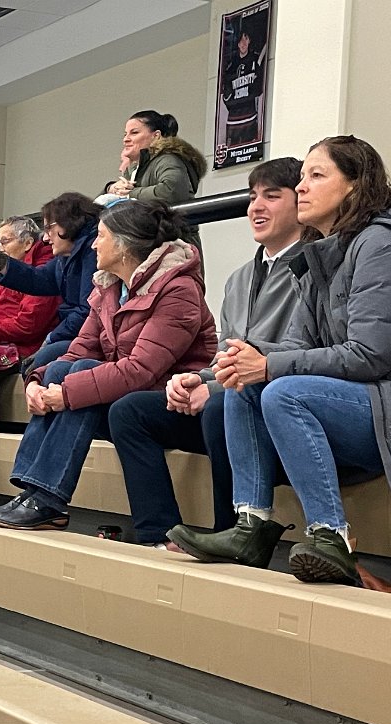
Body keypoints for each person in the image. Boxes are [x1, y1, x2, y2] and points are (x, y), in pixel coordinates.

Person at [171, 136, 391, 583]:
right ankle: (251, 526)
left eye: (316, 175)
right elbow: (297, 345)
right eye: (301, 178)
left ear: (354, 185)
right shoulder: (325, 252)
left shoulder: (386, 245)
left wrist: (268, 366)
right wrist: (216, 372)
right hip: (367, 404)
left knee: (284, 393)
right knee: (245, 387)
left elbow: (370, 355)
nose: (302, 187)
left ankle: (331, 535)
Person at [0, 200, 215, 530]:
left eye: (101, 236)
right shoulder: (108, 286)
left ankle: (47, 499)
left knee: (80, 377)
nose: (93, 245)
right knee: (62, 369)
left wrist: (66, 394)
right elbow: (79, 350)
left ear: (124, 244)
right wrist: (36, 382)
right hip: (123, 393)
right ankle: (34, 492)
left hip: (169, 402)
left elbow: (140, 370)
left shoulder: (178, 290)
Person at [110, 157, 304, 548]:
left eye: (271, 196)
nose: (256, 207)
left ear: (301, 202)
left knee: (221, 406)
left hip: (271, 406)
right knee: (130, 411)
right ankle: (158, 535)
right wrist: (193, 379)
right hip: (229, 394)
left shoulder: (312, 271)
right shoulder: (240, 278)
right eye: (252, 197)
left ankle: (230, 534)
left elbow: (297, 355)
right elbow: (225, 354)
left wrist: (212, 388)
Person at [0, 192, 100, 373]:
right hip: (71, 333)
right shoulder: (66, 256)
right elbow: (39, 279)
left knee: (45, 363)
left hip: (84, 336)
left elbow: (86, 311)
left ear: (68, 224)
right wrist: (2, 263)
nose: (45, 238)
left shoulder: (91, 252)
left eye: (48, 228)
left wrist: (51, 338)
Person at [0, 216, 61, 429]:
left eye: (5, 241)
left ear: (27, 243)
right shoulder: (9, 270)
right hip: (0, 343)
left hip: (26, 348)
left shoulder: (42, 271)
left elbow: (27, 325)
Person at [107, 110, 207, 254]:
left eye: (134, 133)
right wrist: (111, 189)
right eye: (125, 134)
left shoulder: (168, 159)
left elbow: (171, 191)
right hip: (151, 247)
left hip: (177, 249)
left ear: (156, 136)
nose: (126, 139)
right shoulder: (135, 169)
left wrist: (129, 194)